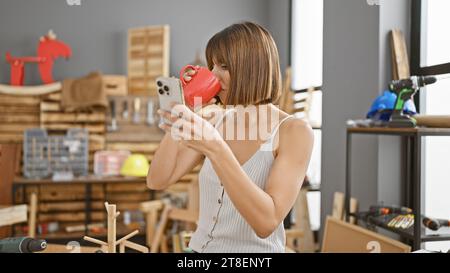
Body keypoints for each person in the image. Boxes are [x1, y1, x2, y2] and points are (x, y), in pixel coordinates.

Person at [147, 21, 314, 253]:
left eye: (223, 66)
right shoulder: (214, 119)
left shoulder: (294, 131)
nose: (213, 76)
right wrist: (181, 114)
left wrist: (216, 148)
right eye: (212, 66)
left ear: (253, 69)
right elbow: (158, 180)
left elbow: (266, 223)